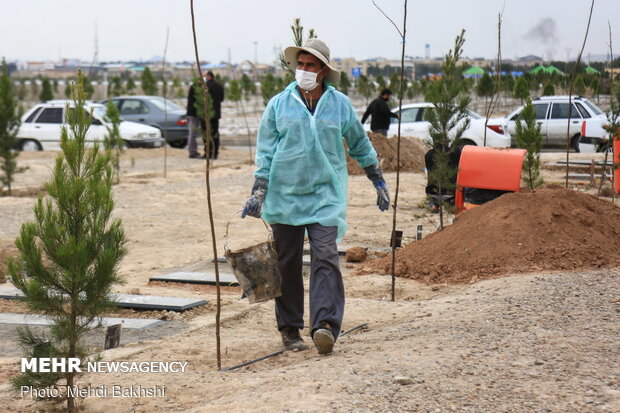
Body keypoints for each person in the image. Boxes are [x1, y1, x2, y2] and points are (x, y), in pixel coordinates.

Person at [240, 38, 390, 355]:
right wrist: (259, 191)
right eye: (300, 65)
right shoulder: (278, 105)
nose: (304, 70)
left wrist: (377, 178)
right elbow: (265, 150)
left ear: (322, 70)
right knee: (287, 263)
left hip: (326, 194)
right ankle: (290, 329)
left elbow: (360, 144)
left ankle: (324, 326)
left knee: (325, 257)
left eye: (310, 65)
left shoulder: (339, 105)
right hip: (285, 194)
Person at [205, 71, 224, 159]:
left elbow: (203, 100)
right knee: (215, 133)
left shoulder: (206, 86)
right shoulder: (219, 86)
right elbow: (221, 99)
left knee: (207, 133)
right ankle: (215, 153)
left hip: (207, 113)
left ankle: (208, 152)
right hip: (216, 113)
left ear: (209, 76)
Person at [186, 78, 206, 159]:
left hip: (192, 113)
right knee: (193, 133)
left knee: (193, 133)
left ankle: (193, 151)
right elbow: (198, 101)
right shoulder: (196, 88)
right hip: (194, 114)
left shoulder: (193, 87)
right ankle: (192, 152)